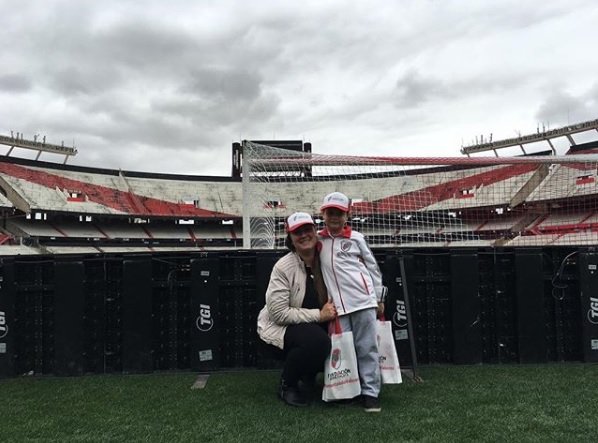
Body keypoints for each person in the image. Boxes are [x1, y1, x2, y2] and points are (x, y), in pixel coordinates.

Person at [257, 212, 337, 407]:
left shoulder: (328, 259)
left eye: (307, 229)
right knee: (316, 341)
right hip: (281, 327)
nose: (303, 235)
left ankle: (310, 375)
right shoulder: (283, 267)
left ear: (315, 231)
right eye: (297, 232)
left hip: (318, 323)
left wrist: (377, 298)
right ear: (290, 239)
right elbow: (278, 314)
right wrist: (319, 315)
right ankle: (288, 384)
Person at [318, 192, 387, 413]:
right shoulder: (319, 240)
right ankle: (347, 390)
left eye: (339, 213)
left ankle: (370, 393)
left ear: (347, 216)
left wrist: (379, 297)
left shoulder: (356, 238)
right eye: (330, 213)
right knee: (342, 350)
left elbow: (373, 268)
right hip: (337, 308)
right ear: (323, 214)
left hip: (363, 302)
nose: (334, 217)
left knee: (366, 348)